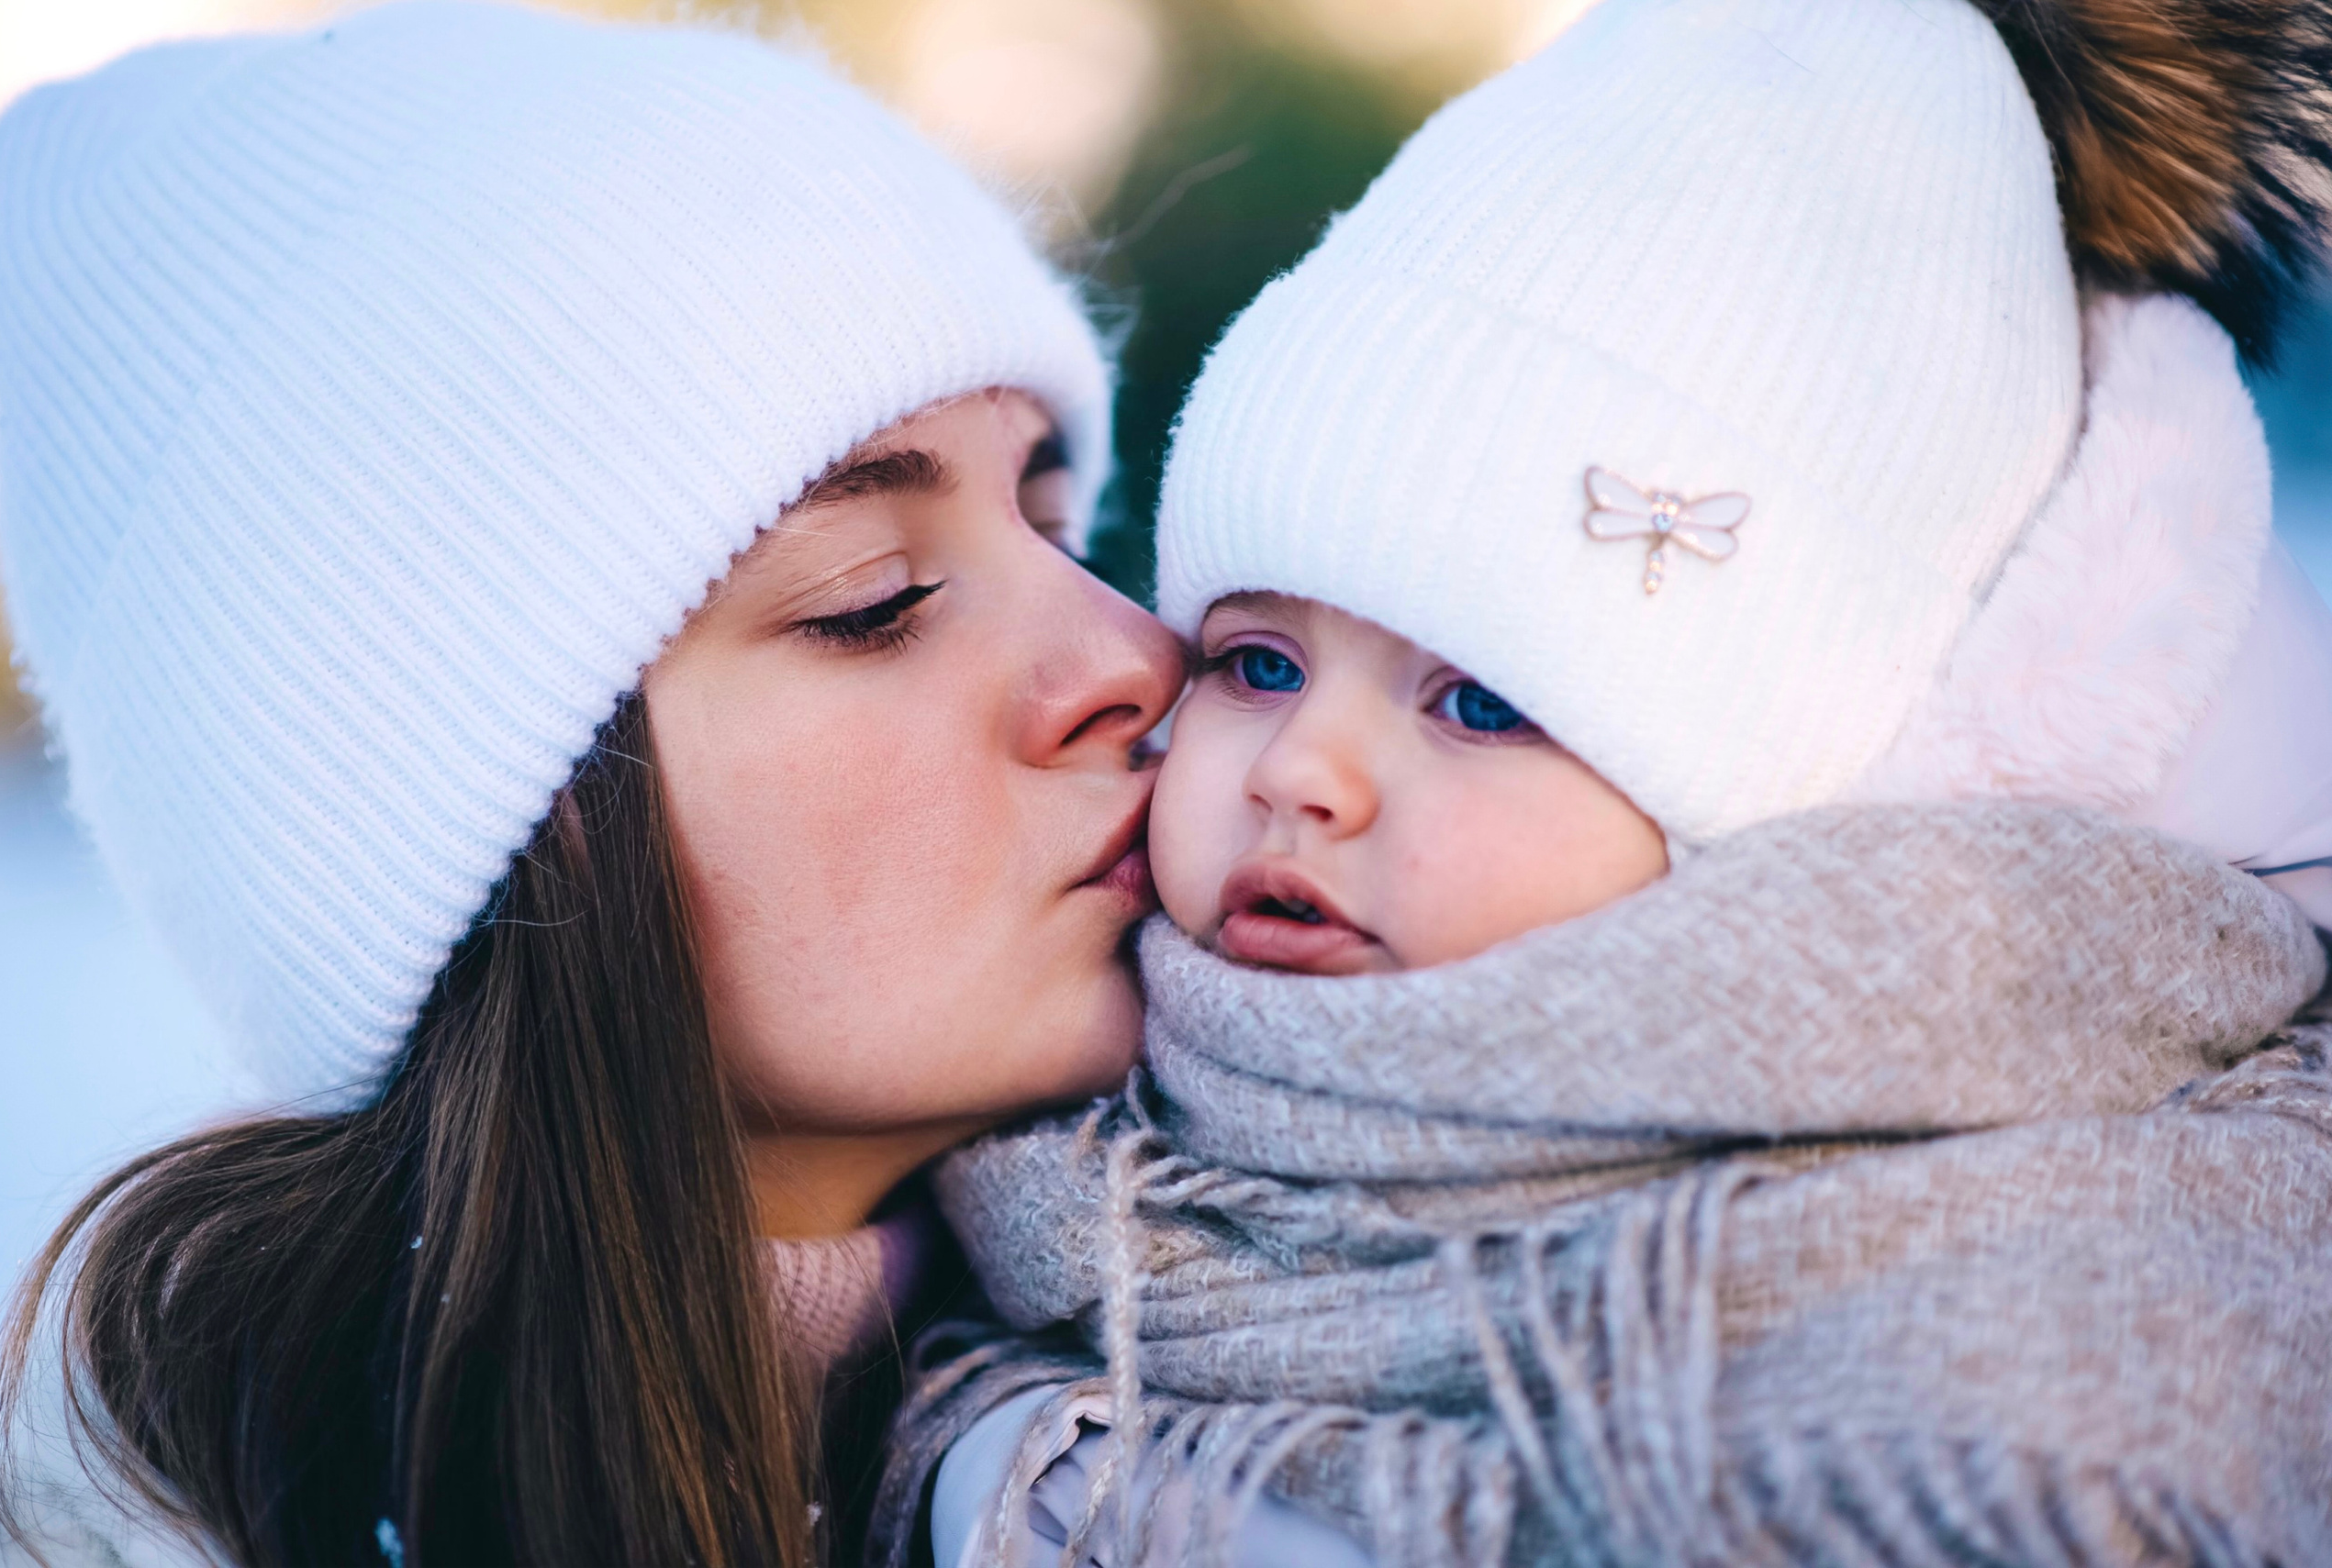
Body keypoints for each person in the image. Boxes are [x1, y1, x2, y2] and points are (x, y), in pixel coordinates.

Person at [900, 0, 2332, 1562]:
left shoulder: (2050, 1322)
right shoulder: (1060, 1189)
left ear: (1791, 805)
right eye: (1257, 663)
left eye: (1481, 703)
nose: (1303, 773)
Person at [0, 6, 1183, 1565]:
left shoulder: (1341, 1369)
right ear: (492, 831)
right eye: (876, 597)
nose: (1135, 649)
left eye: (1056, 530)